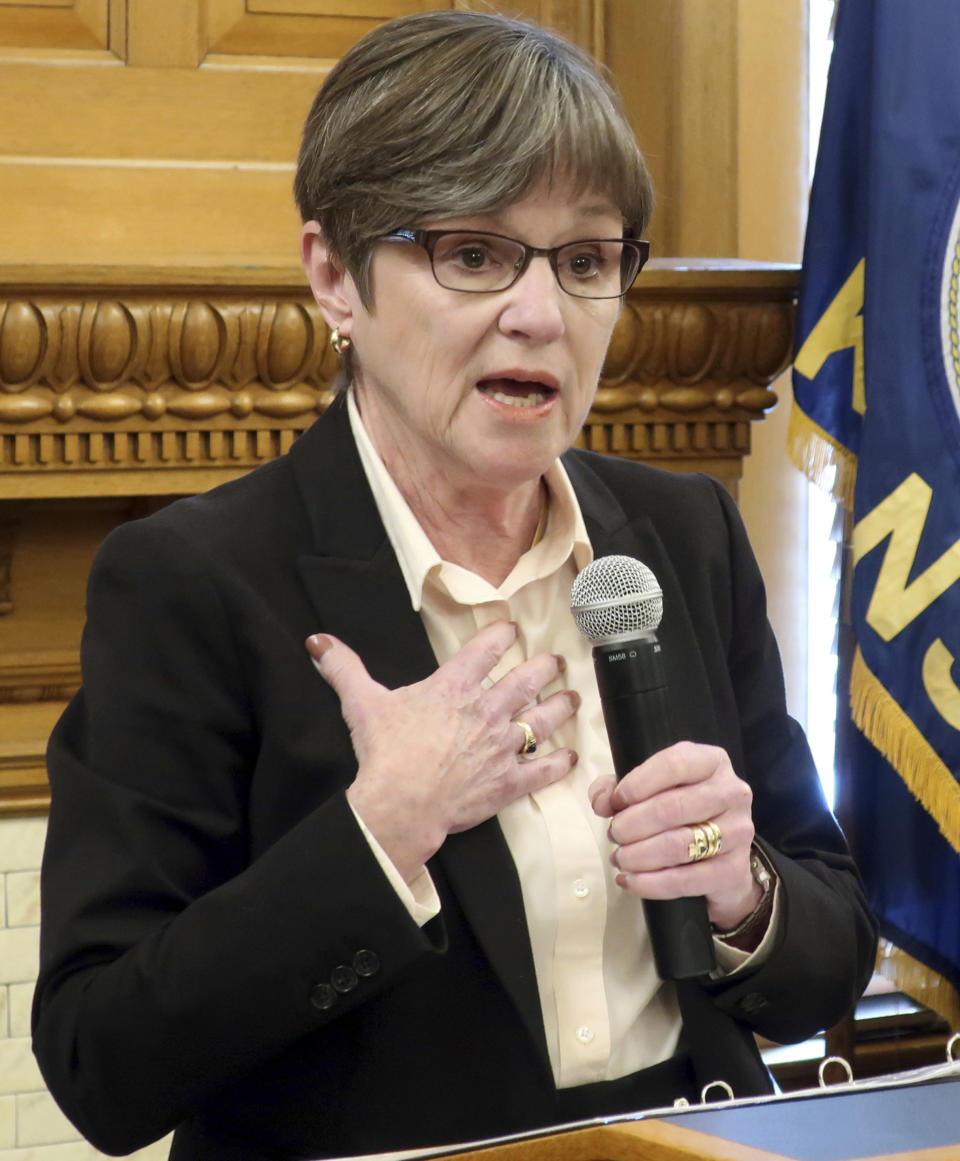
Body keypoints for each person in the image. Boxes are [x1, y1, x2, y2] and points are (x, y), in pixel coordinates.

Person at [32, 10, 877, 1160]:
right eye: (474, 254)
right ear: (334, 275)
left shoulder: (681, 536)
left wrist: (746, 898)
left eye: (585, 261)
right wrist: (383, 832)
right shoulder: (196, 583)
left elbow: (828, 943)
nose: (539, 314)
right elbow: (102, 1065)